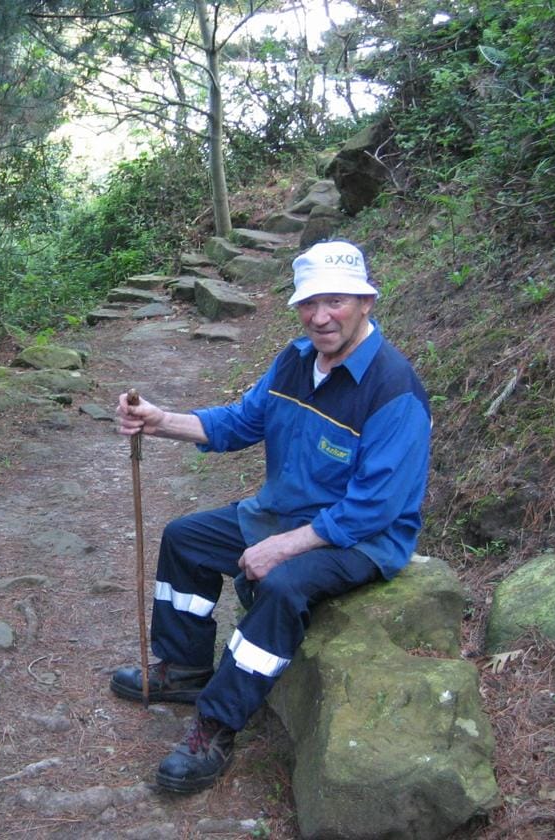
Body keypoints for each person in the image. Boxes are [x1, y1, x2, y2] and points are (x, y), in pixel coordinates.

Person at [111, 239, 431, 794]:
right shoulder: (295, 360)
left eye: (336, 301)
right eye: (309, 303)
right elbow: (240, 422)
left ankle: (216, 724)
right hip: (280, 513)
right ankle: (185, 668)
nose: (321, 316)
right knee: (185, 538)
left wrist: (283, 547)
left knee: (281, 587)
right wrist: (161, 421)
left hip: (361, 538)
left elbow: (373, 508)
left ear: (366, 302)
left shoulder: (393, 389)